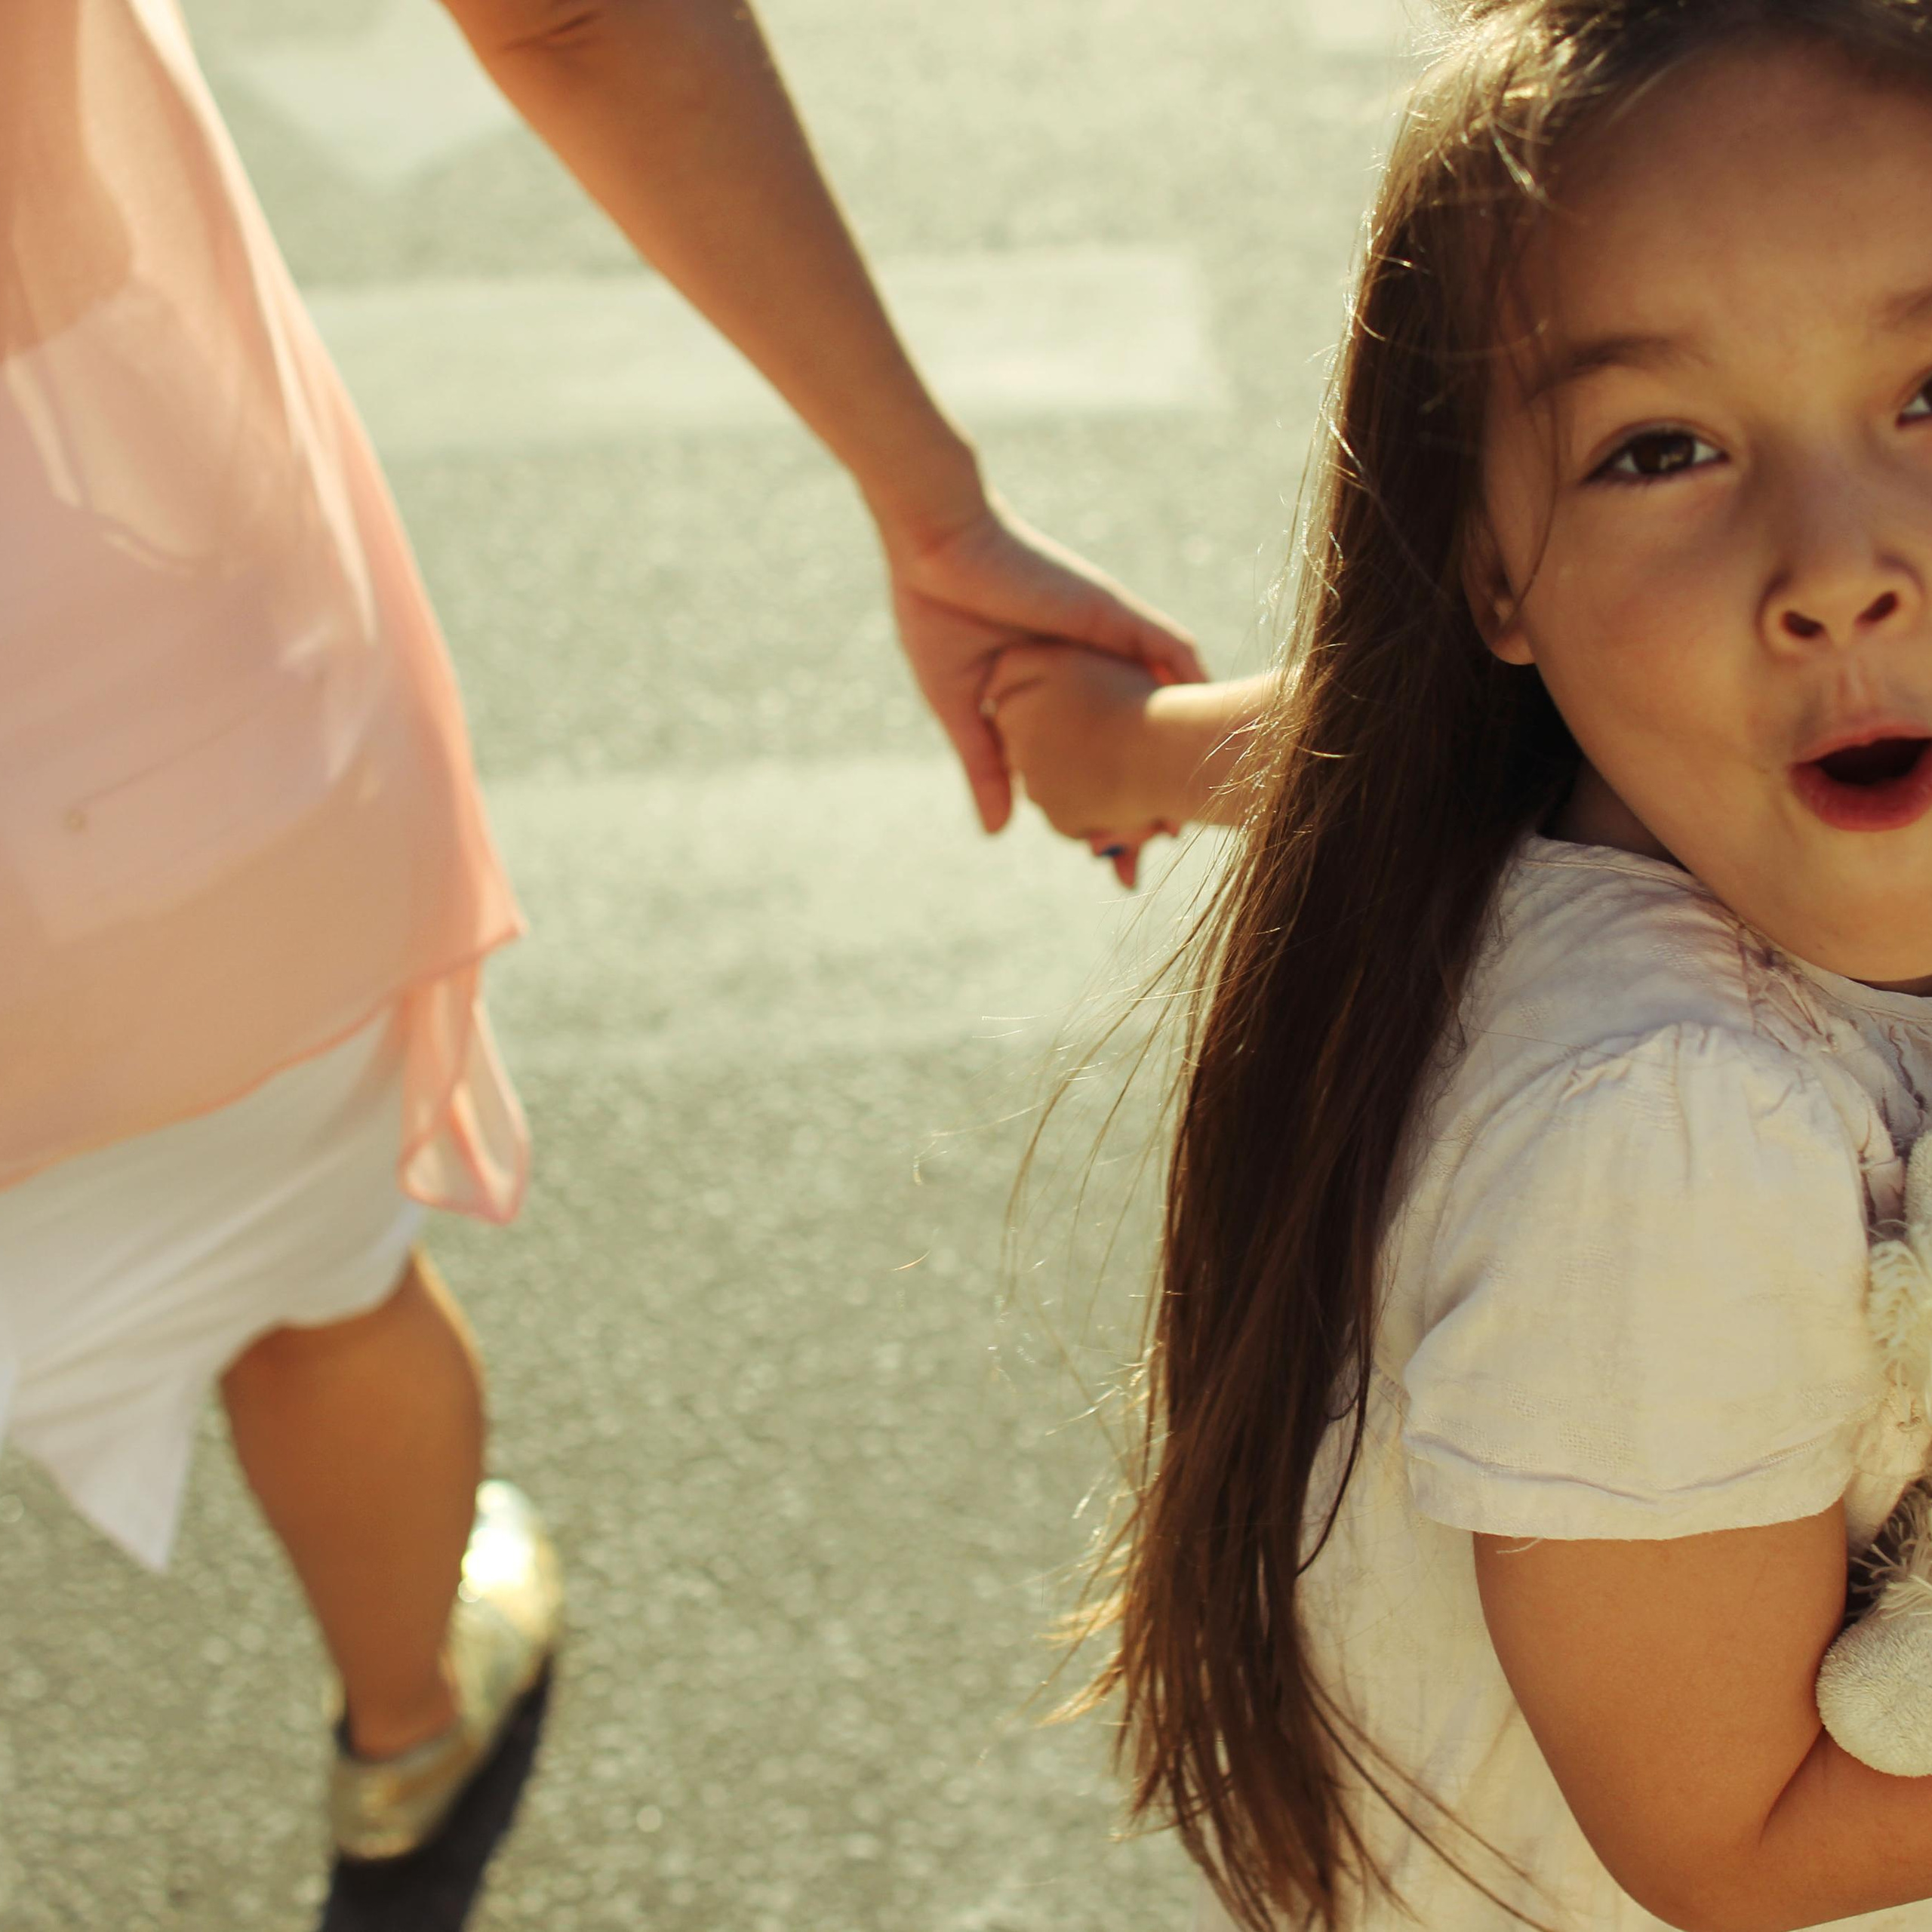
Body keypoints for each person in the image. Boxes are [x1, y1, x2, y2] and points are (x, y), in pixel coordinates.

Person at [0, 0, 1199, 1870]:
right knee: (318, 1297)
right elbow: (579, 16)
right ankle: (405, 1731)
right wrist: (932, 505)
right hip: (125, 710)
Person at [992, 1, 1932, 1925]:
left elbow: (1361, 744)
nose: (1837, 567)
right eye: (1658, 449)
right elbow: (1727, 1835)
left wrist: (1124, 750)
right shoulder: (1672, 1140)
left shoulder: (1636, 742)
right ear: (1490, 572)